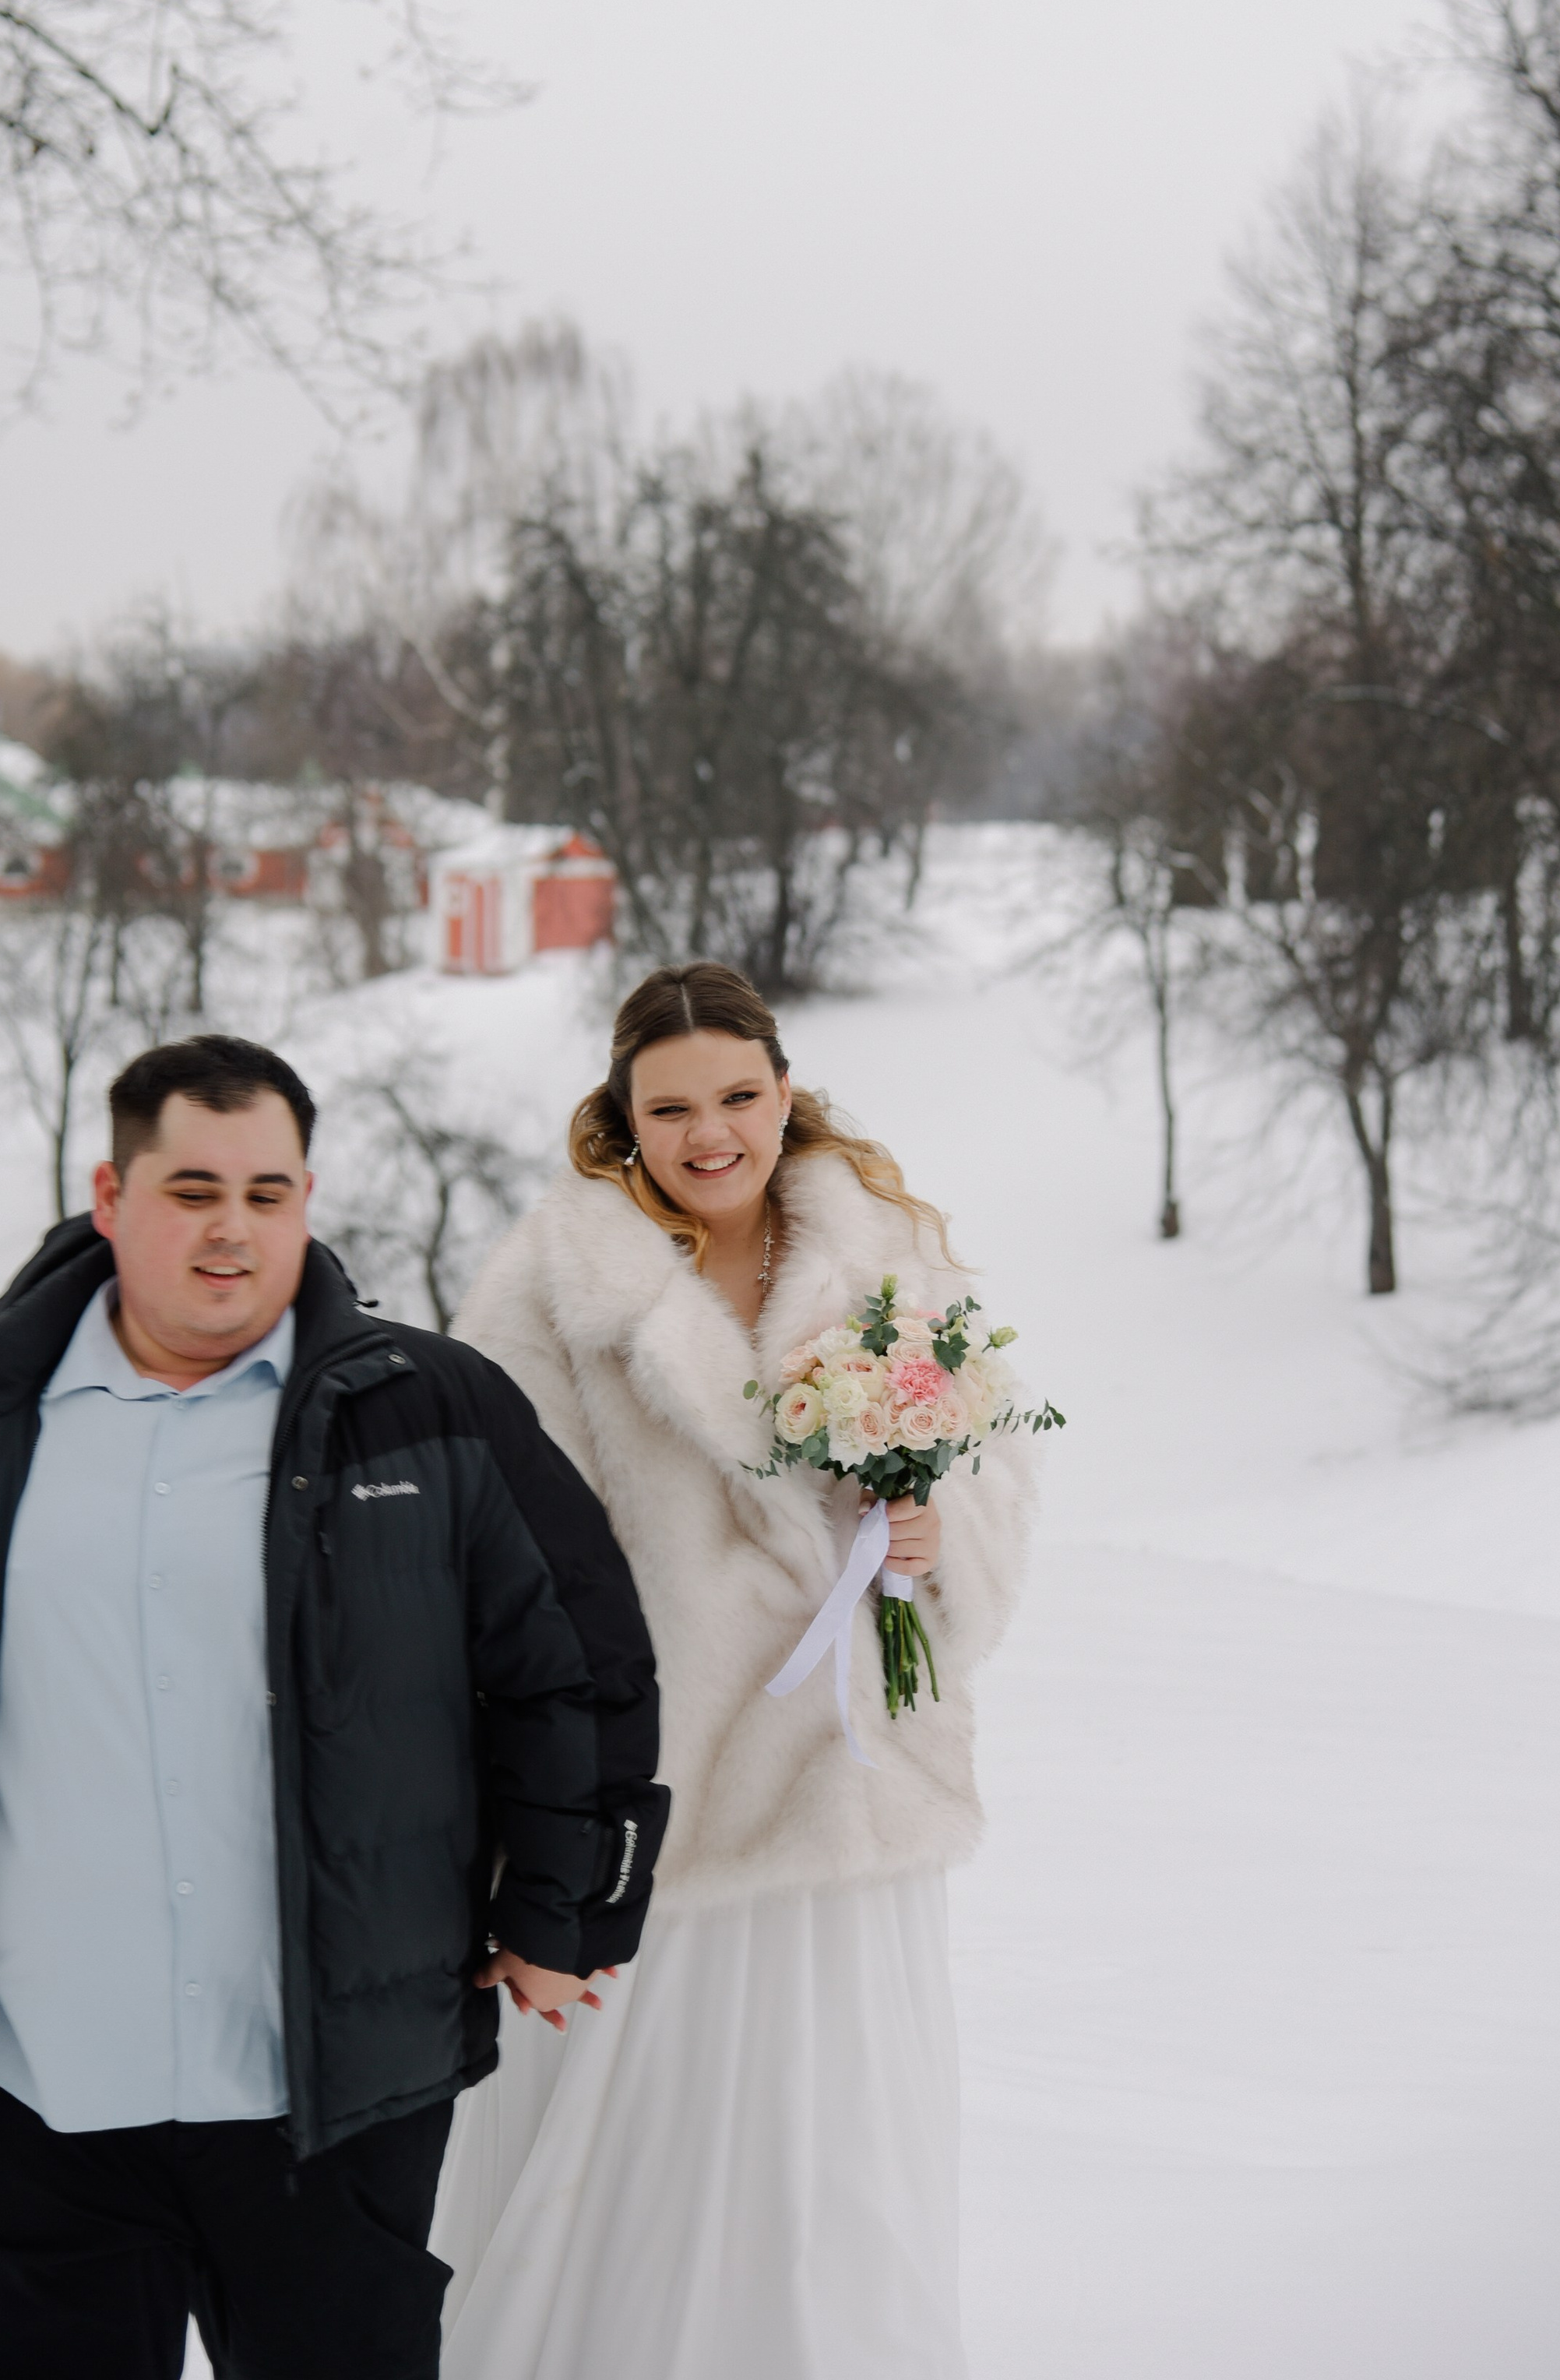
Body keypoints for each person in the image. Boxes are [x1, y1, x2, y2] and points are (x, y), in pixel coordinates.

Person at [0, 1032, 665, 2380]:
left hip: (333, 2090)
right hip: (31, 2084)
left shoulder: (434, 1413)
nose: (233, 1231)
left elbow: (579, 1667)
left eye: (268, 1193)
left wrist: (564, 1910)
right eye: (191, 1192)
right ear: (111, 1198)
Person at [434, 961, 1033, 2379]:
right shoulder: (549, 1292)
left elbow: (1003, 1478)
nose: (714, 1135)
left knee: (839, 2166)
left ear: (784, 1091)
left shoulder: (891, 1260)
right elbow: (492, 1561)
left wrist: (938, 1534)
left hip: (857, 1787)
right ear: (622, 1118)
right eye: (673, 1107)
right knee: (646, 2150)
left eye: (740, 1097)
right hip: (661, 1804)